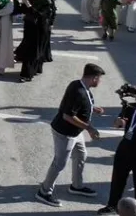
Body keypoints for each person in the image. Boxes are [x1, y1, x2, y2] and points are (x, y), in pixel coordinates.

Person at [36, 62, 105, 207]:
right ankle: (44, 191)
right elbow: (68, 116)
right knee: (59, 163)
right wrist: (89, 128)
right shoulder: (78, 92)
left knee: (81, 155)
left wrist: (92, 108)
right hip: (65, 133)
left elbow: (78, 105)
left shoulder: (78, 85)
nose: (100, 81)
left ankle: (76, 186)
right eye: (99, 78)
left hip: (75, 132)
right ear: (94, 78)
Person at [101, 81, 136, 216]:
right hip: (125, 148)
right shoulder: (131, 107)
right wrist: (118, 122)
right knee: (117, 179)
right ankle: (112, 205)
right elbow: (119, 123)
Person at [18, 0, 57, 81]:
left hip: (39, 30)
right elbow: (23, 10)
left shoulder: (46, 2)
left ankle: (26, 75)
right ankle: (35, 69)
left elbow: (40, 15)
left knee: (32, 52)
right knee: (32, 51)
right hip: (29, 28)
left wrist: (28, 4)